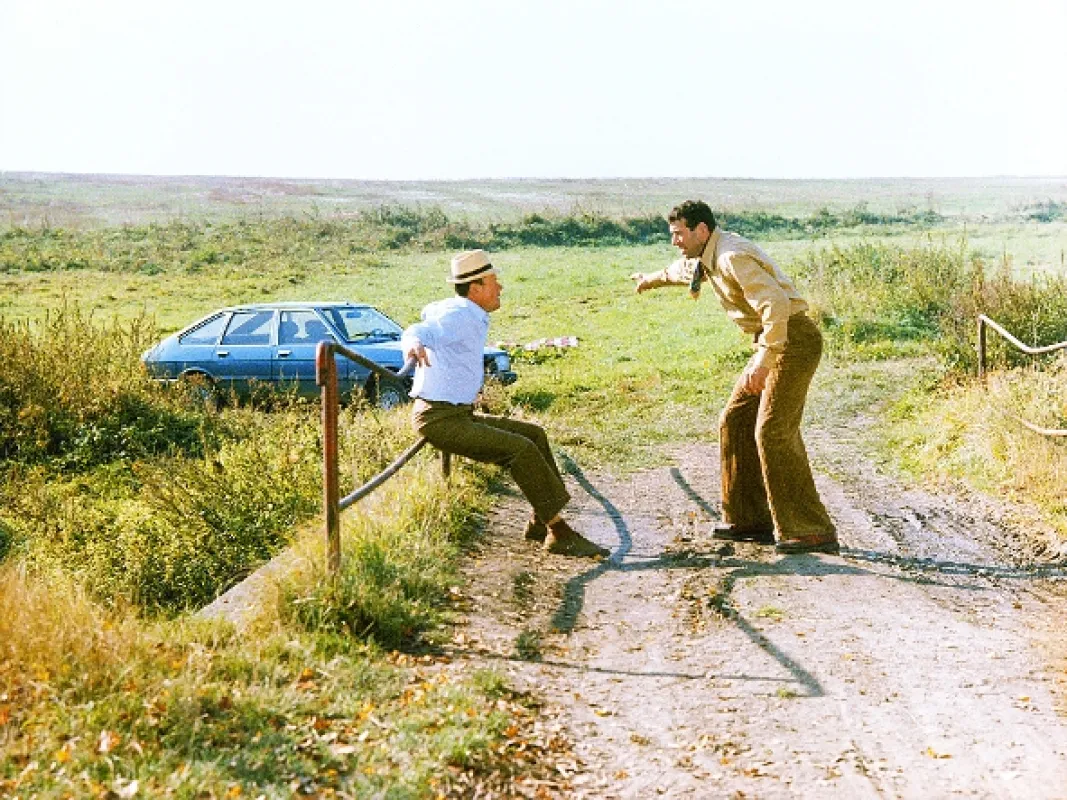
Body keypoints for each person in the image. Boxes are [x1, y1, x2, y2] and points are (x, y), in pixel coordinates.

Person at [630, 201, 838, 555]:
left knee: (773, 431)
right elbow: (683, 271)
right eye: (672, 235)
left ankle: (810, 530)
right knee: (736, 420)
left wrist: (764, 360)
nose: (675, 241)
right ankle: (749, 520)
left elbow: (775, 305)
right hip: (772, 342)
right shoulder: (706, 256)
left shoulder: (730, 257)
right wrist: (649, 280)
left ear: (701, 230)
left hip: (791, 340)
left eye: (679, 234)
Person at [401, 249, 609, 558]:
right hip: (440, 419)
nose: (501, 288)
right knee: (520, 449)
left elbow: (429, 313)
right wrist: (414, 344)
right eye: (494, 281)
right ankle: (558, 531)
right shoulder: (458, 315)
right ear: (476, 288)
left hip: (458, 414)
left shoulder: (464, 311)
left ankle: (540, 520)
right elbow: (422, 329)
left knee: (533, 435)